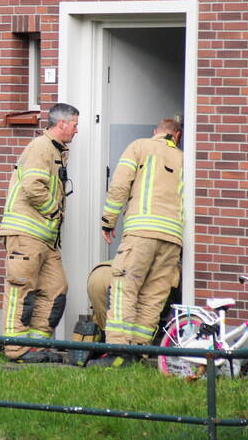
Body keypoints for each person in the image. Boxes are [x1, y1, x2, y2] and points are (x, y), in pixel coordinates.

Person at [91, 118, 183, 368]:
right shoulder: (186, 159)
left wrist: (108, 220)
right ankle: (139, 354)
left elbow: (120, 185)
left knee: (125, 288)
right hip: (172, 240)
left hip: (140, 233)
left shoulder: (139, 146)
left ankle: (118, 352)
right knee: (154, 296)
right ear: (177, 136)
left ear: (156, 132)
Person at [0, 102, 79, 363]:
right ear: (62, 124)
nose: (76, 131)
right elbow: (33, 186)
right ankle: (16, 348)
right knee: (21, 288)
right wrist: (55, 211)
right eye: (75, 125)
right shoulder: (40, 148)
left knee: (56, 288)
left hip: (44, 238)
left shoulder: (56, 150)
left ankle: (37, 345)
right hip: (26, 234)